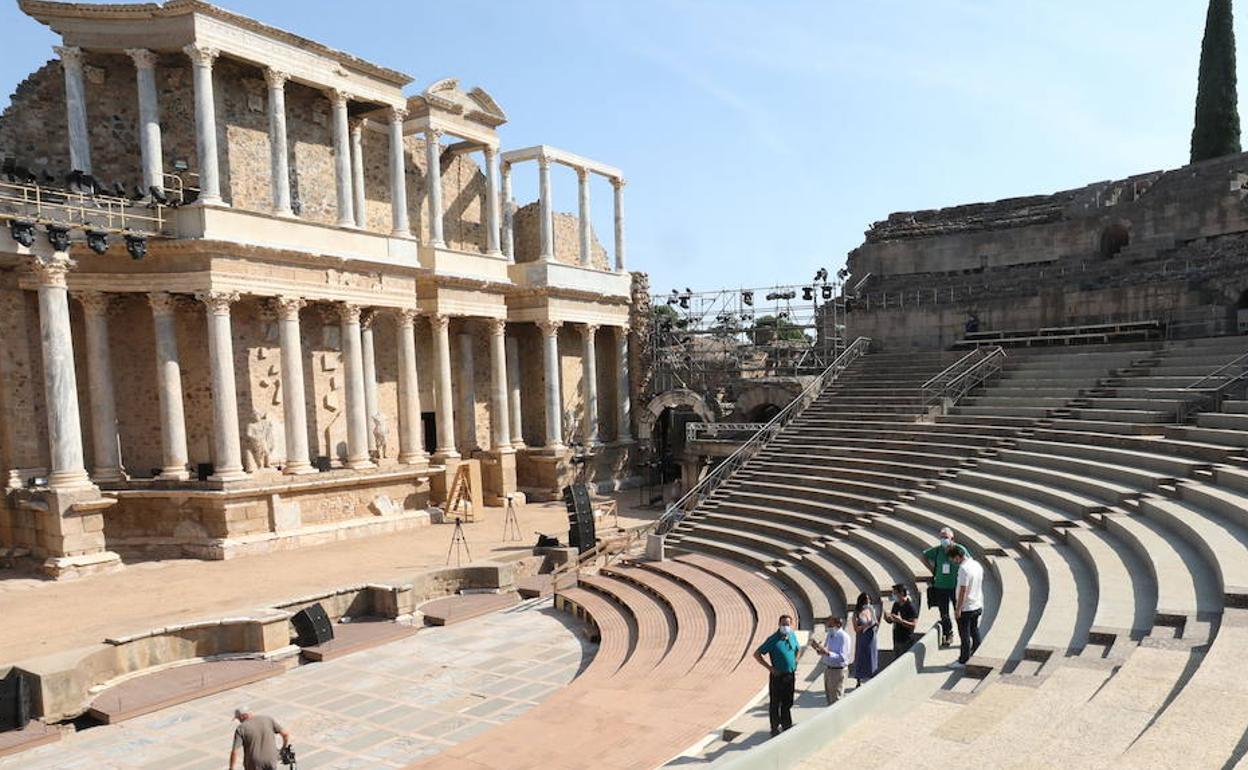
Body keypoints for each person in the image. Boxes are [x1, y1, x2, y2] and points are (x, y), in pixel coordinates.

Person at [753, 614, 800, 736]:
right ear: (779, 625)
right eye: (783, 624)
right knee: (775, 703)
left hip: (790, 675)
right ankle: (774, 727)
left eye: (788, 624)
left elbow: (797, 649)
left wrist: (795, 660)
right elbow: (757, 654)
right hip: (778, 676)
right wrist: (770, 668)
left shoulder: (792, 636)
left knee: (788, 702)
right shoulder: (773, 639)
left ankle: (786, 724)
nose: (785, 626)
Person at [922, 527, 970, 648]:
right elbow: (924, 555)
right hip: (940, 586)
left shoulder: (959, 549)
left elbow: (969, 562)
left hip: (955, 587)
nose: (943, 540)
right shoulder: (938, 551)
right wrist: (933, 569)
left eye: (945, 537)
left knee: (959, 612)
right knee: (944, 613)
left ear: (952, 538)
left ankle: (964, 636)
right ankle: (948, 634)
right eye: (941, 537)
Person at [948, 547, 985, 669]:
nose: (953, 562)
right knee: (975, 631)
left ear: (958, 557)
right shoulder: (976, 565)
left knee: (964, 635)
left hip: (967, 607)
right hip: (977, 604)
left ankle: (963, 660)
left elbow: (963, 590)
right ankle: (977, 655)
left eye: (953, 559)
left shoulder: (963, 569)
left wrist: (958, 609)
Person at [229, 706, 291, 770]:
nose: (239, 721)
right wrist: (283, 748)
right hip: (271, 760)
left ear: (243, 716)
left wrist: (231, 767)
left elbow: (235, 751)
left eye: (238, 718)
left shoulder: (241, 728)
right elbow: (285, 734)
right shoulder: (268, 719)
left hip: (253, 764)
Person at [809, 615, 850, 705]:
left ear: (838, 624)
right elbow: (826, 649)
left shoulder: (843, 637)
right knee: (829, 699)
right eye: (828, 626)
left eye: (831, 625)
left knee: (836, 699)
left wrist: (828, 653)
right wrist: (819, 649)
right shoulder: (830, 635)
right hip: (828, 669)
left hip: (838, 671)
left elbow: (842, 657)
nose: (829, 628)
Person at [850, 593, 879, 686]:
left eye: (869, 600)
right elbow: (856, 628)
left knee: (871, 656)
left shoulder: (871, 610)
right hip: (862, 637)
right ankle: (859, 678)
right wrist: (865, 625)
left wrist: (874, 623)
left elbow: (876, 622)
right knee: (860, 656)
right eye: (866, 600)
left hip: (871, 636)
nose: (868, 602)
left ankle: (872, 675)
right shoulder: (856, 613)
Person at [884, 583, 919, 656]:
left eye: (895, 593)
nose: (893, 595)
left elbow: (913, 625)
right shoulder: (896, 605)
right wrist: (887, 618)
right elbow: (893, 619)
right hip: (896, 639)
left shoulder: (910, 607)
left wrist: (901, 621)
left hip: (906, 640)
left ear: (902, 593)